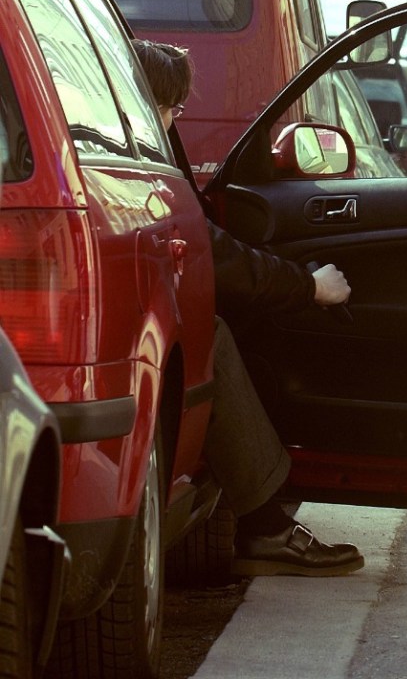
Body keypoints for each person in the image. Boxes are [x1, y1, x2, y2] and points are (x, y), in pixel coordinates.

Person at [131, 39, 362, 577]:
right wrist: (307, 287)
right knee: (208, 336)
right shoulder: (138, 164)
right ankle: (266, 525)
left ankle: (264, 518)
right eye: (172, 109)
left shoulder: (129, 153)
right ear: (147, 107)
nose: (175, 122)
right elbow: (213, 252)